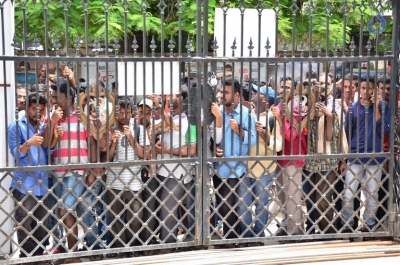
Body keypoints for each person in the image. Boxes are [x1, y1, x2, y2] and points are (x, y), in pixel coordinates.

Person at [8, 93, 60, 262]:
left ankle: (39, 256)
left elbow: (47, 152)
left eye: (42, 110)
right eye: (34, 109)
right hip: (25, 183)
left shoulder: (42, 127)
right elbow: (16, 153)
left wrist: (54, 139)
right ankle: (27, 257)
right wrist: (28, 143)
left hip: (41, 183)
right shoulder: (16, 126)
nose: (38, 113)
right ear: (27, 108)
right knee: (24, 224)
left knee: (42, 224)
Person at [43, 82, 86, 264]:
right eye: (52, 96)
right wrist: (52, 121)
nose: (53, 100)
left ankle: (74, 254)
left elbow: (92, 142)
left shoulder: (82, 118)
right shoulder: (52, 118)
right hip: (58, 172)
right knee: (60, 212)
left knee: (65, 209)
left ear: (68, 98)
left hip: (77, 171)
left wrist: (93, 169)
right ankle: (66, 250)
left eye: (56, 97)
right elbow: (46, 144)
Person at [341, 76, 390, 232]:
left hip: (375, 157)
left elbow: (384, 131)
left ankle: (368, 224)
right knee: (348, 193)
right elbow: (347, 134)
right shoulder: (353, 108)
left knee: (372, 194)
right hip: (355, 156)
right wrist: (344, 158)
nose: (366, 91)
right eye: (363, 88)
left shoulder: (383, 107)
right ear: (359, 90)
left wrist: (375, 107)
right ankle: (348, 224)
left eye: (369, 88)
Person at [150, 90, 196, 251]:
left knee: (167, 208)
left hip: (178, 172)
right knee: (163, 209)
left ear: (182, 98)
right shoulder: (168, 119)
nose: (169, 98)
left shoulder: (191, 123)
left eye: (174, 95)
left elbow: (190, 150)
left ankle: (168, 246)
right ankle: (167, 241)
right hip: (162, 171)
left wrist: (167, 150)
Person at [213, 79, 256, 247]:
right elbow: (213, 137)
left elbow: (252, 140)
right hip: (218, 166)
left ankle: (232, 238)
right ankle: (233, 236)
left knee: (228, 203)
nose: (222, 96)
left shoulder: (246, 114)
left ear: (237, 95)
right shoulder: (218, 112)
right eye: (221, 92)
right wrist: (215, 148)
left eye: (226, 93)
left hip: (236, 168)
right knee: (222, 204)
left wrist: (238, 129)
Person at [237, 87, 282, 244]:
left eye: (258, 93)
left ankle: (258, 236)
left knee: (261, 206)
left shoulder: (271, 118)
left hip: (264, 169)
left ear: (265, 99)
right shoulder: (245, 115)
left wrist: (264, 134)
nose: (253, 94)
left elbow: (278, 145)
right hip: (244, 168)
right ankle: (247, 236)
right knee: (244, 206)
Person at [303, 73, 344, 234]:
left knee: (323, 200)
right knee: (311, 200)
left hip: (327, 159)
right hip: (309, 160)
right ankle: (316, 229)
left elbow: (329, 137)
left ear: (332, 85)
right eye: (319, 83)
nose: (322, 86)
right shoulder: (309, 103)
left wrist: (328, 115)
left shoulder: (335, 105)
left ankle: (328, 231)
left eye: (326, 83)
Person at [106, 98, 145, 257]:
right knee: (115, 218)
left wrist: (130, 137)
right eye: (121, 113)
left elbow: (143, 155)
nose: (124, 116)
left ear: (132, 113)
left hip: (134, 181)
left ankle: (131, 245)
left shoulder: (139, 130)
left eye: (127, 113)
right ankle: (121, 249)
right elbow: (107, 159)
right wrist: (113, 143)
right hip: (114, 181)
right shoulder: (111, 130)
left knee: (136, 217)